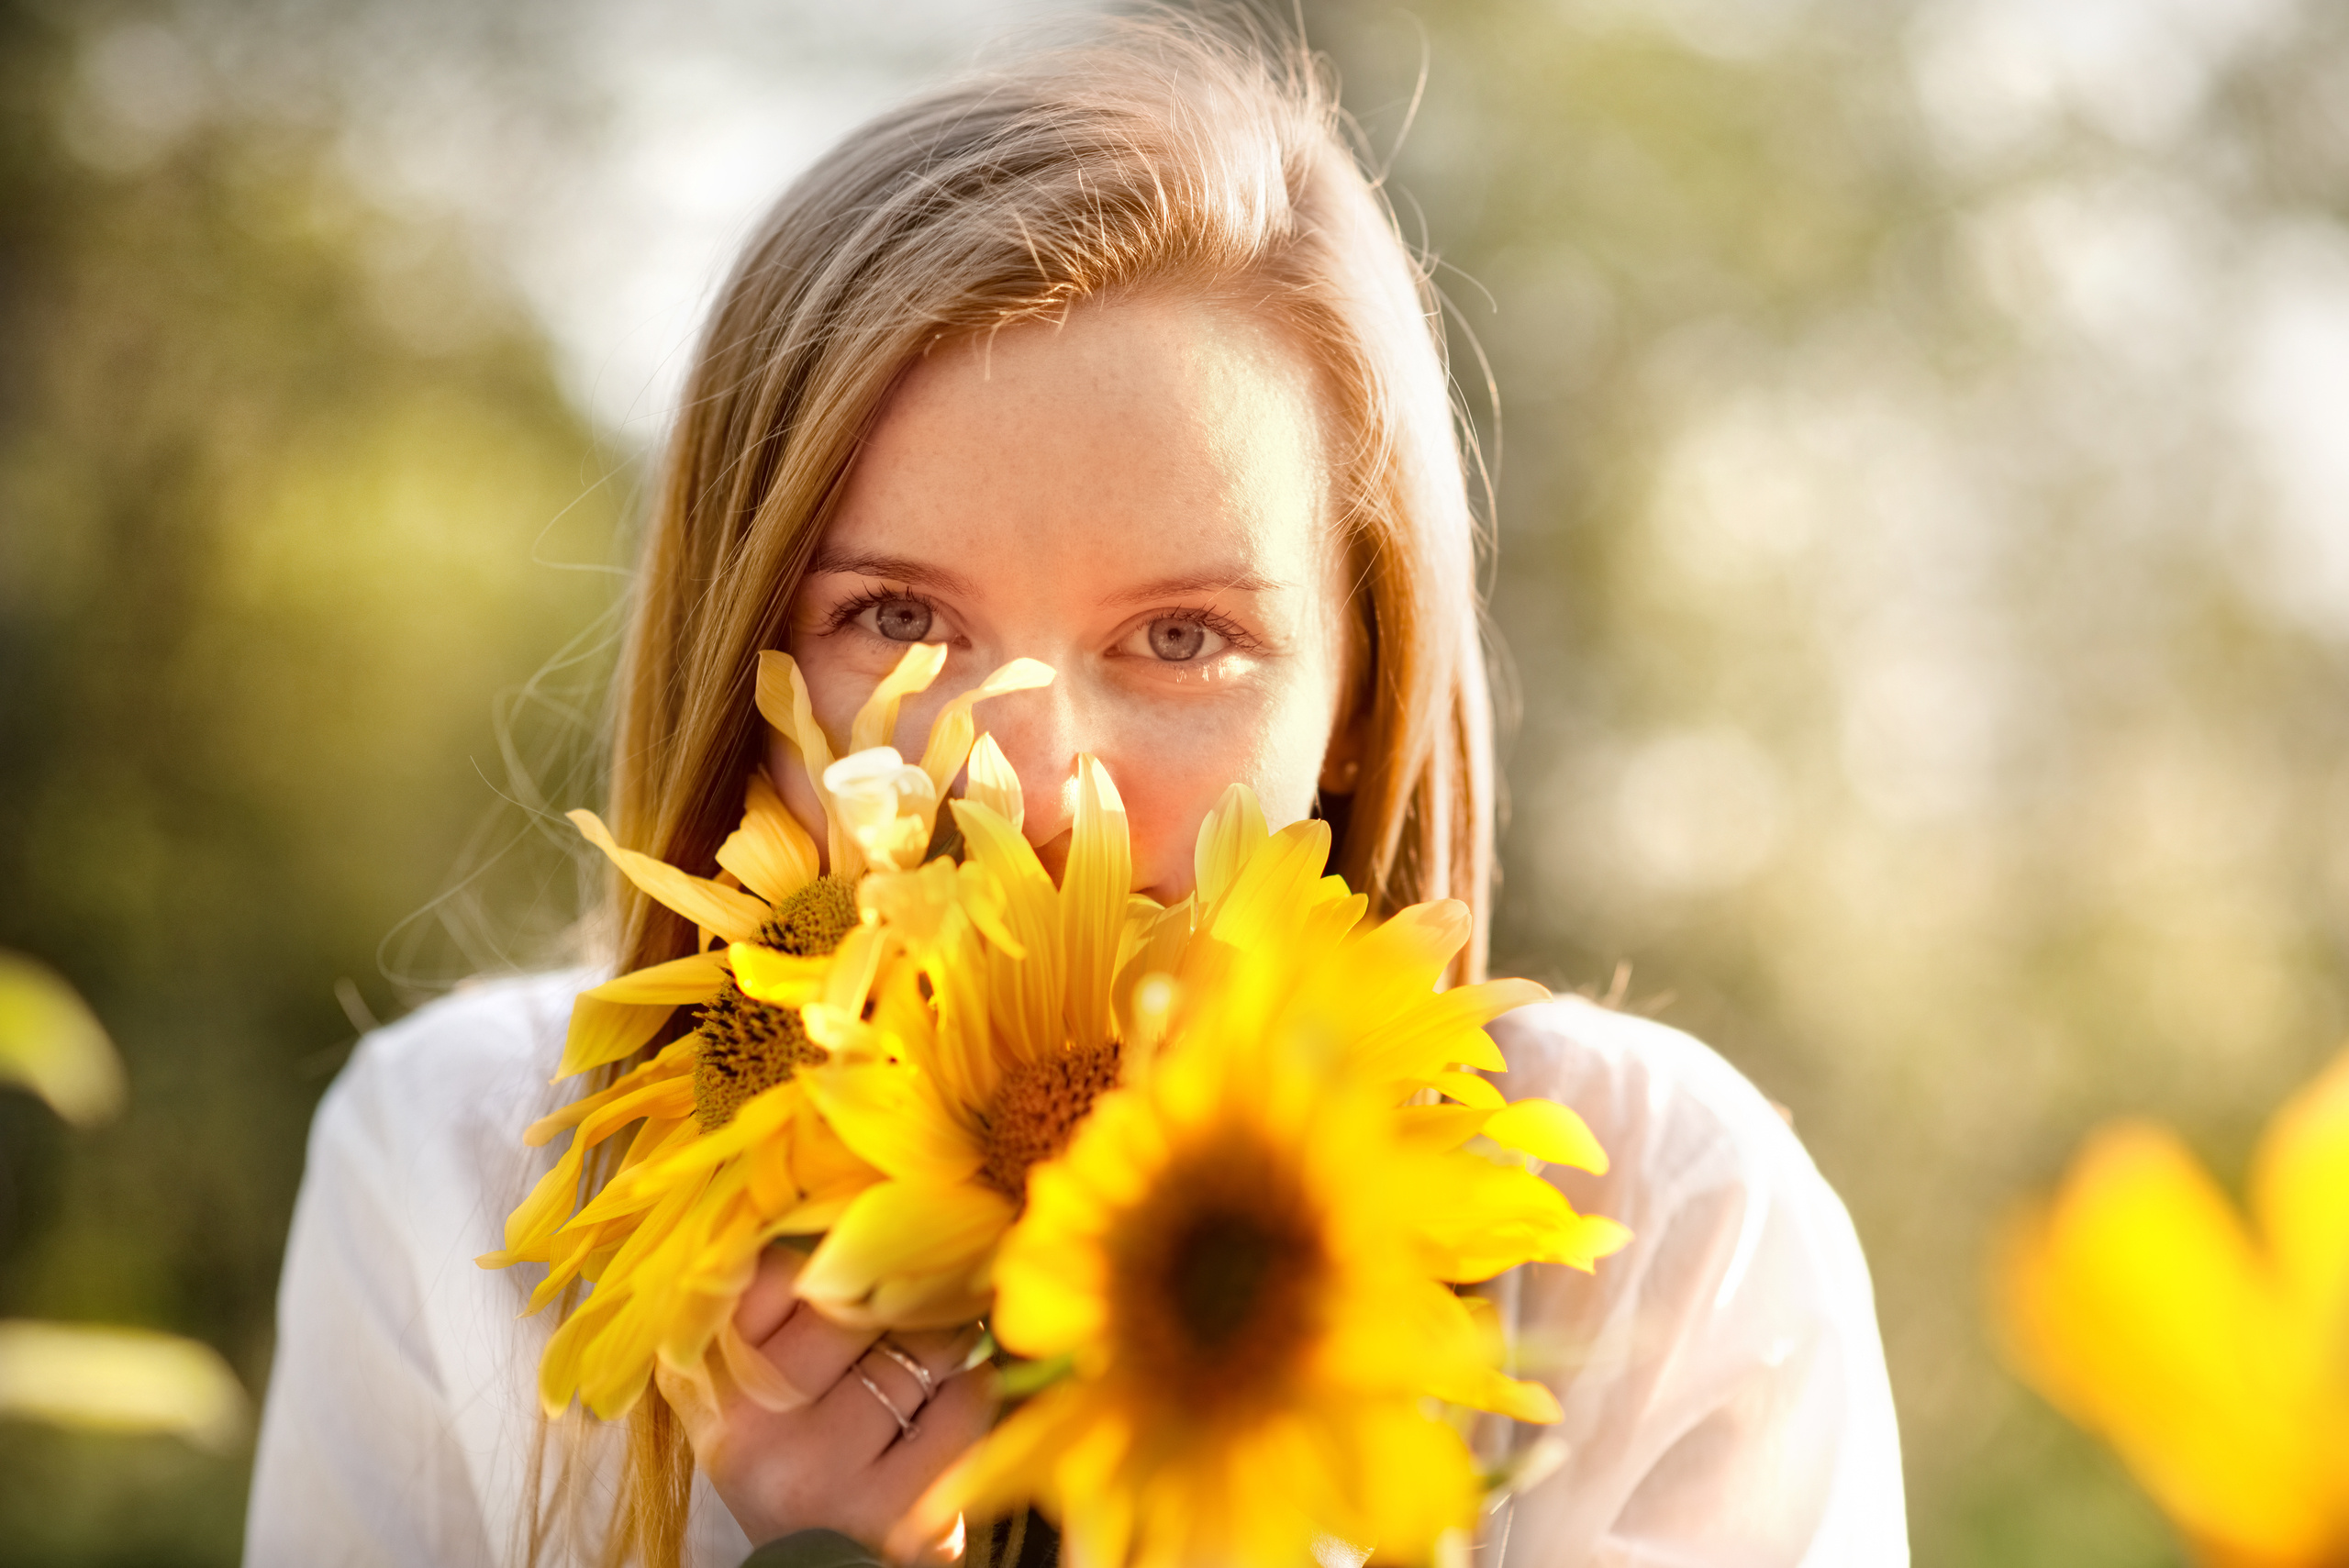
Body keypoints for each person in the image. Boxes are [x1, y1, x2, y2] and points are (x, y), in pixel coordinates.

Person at [243, 16, 1907, 1568]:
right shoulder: (461, 1173)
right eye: (898, 619)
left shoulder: (1662, 1235)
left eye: (1181, 637)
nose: (1029, 787)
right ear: (737, 646)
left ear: (1356, 695)